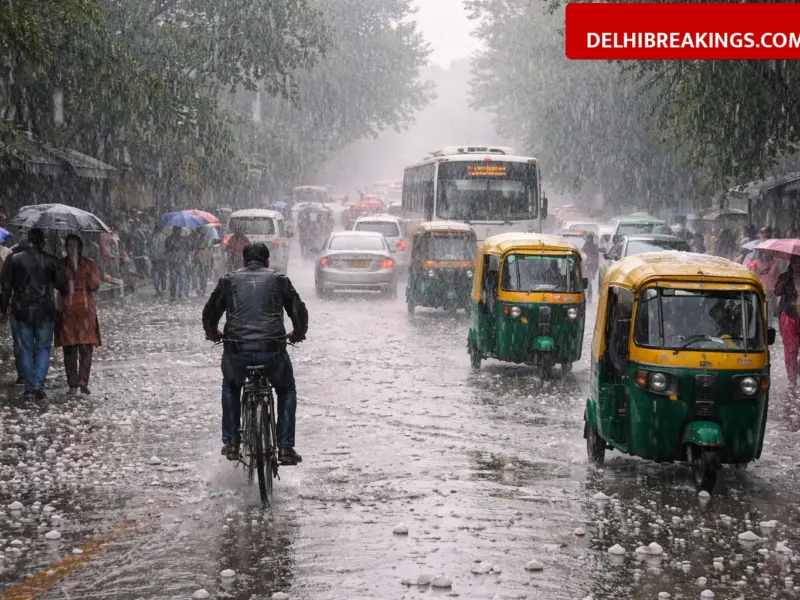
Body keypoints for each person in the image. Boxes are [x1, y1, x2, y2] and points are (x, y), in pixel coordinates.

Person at [202, 243, 308, 464]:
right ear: (267, 262)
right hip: (272, 350)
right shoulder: (279, 280)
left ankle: (231, 442)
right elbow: (298, 310)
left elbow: (210, 312)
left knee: (231, 386)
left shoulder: (228, 280)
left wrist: (213, 333)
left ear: (243, 261)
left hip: (236, 350)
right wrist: (298, 332)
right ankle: (286, 446)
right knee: (286, 389)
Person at [0, 228, 68, 399]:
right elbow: (62, 285)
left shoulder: (13, 260)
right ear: (43, 241)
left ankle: (29, 386)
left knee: (25, 348)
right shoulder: (51, 261)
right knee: (44, 347)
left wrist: (2, 308)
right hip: (45, 310)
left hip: (21, 310)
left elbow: (6, 287)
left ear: (29, 240)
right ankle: (39, 383)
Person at [55, 235, 101, 396]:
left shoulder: (86, 264)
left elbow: (94, 285)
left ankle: (79, 382)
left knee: (80, 347)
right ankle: (77, 382)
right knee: (75, 347)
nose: (71, 249)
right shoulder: (83, 264)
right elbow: (95, 285)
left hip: (79, 310)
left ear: (80, 248)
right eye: (69, 246)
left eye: (73, 246)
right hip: (75, 310)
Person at [775, 255, 800, 386]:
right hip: (788, 314)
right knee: (790, 348)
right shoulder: (785, 277)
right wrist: (785, 282)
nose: (797, 265)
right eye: (794, 261)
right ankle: (792, 377)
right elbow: (777, 292)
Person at [165, 227, 186, 301]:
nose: (179, 232)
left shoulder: (182, 239)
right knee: (176, 279)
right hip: (174, 262)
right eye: (178, 230)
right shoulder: (170, 239)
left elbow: (186, 249)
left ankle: (178, 294)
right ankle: (175, 294)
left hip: (178, 261)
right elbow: (167, 249)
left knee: (179, 279)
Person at [150, 225, 169, 297]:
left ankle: (158, 290)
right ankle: (163, 290)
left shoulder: (153, 237)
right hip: (163, 259)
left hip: (155, 259)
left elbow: (152, 248)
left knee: (155, 275)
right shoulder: (165, 237)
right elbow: (167, 248)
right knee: (163, 275)